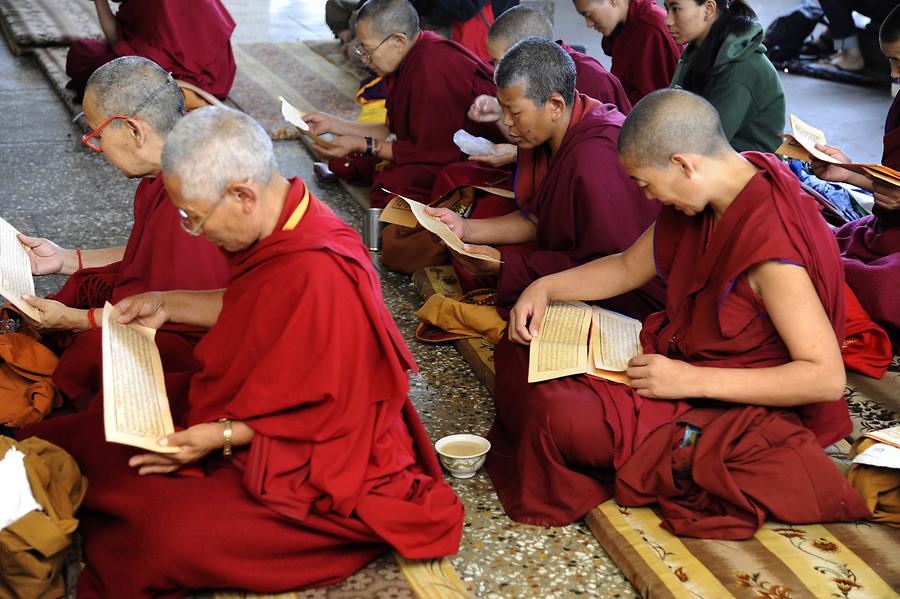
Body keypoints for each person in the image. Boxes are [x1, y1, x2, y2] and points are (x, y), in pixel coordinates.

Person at [18, 107, 464, 597]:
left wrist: (223, 435)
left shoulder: (323, 272)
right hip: (250, 401)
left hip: (311, 459)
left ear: (243, 196)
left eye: (193, 217)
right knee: (92, 436)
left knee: (160, 538)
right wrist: (169, 302)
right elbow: (253, 302)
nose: (194, 231)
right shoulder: (283, 215)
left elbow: (338, 410)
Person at [488, 89, 861, 531]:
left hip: (740, 402)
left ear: (684, 164)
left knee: (555, 414)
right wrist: (544, 288)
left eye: (646, 185)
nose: (647, 199)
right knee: (519, 352)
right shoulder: (708, 195)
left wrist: (688, 379)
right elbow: (628, 266)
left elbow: (825, 377)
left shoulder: (772, 246)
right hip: (680, 362)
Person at [20, 56, 229, 411]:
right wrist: (64, 258)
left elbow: (185, 303)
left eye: (97, 135)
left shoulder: (196, 185)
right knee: (85, 284)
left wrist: (78, 321)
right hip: (162, 304)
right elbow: (146, 251)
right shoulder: (171, 160)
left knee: (92, 354)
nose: (97, 150)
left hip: (201, 335)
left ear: (133, 129)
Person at [427, 38, 664, 318]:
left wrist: (507, 265)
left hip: (629, 290)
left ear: (554, 104)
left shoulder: (596, 155)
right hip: (577, 264)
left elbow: (612, 264)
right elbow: (538, 220)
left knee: (518, 339)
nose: (506, 122)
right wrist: (464, 228)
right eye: (502, 109)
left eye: (514, 112)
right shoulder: (545, 135)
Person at [304, 0, 503, 208]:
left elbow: (433, 152)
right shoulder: (409, 57)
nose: (364, 59)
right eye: (361, 49)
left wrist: (363, 144)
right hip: (435, 149)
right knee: (360, 158)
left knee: (394, 186)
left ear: (398, 41)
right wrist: (332, 124)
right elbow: (393, 131)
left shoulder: (431, 67)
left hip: (486, 156)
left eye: (368, 50)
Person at [813, 5, 900, 345]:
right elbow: (892, 181)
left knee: (881, 283)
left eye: (899, 62)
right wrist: (847, 172)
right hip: (887, 230)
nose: (894, 74)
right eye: (891, 61)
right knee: (815, 246)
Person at [666, 0, 785, 153]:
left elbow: (704, 149)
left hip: (753, 172)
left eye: (676, 9)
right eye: (667, 8)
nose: (667, 20)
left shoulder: (740, 68)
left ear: (708, 8)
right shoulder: (698, 49)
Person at [66, 0, 236, 102]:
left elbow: (123, 47)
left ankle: (180, 92)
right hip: (220, 73)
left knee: (84, 56)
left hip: (168, 74)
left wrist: (99, 2)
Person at [572, 0, 682, 105]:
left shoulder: (651, 29)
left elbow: (655, 102)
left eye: (589, 15)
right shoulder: (624, 25)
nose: (589, 24)